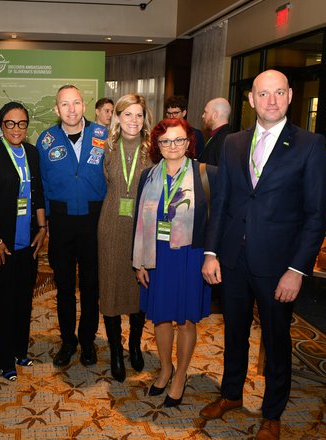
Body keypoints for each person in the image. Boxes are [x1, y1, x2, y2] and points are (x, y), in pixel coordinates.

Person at [199, 70, 326, 440]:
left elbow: (316, 215)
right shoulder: (233, 143)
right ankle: (231, 394)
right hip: (233, 259)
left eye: (278, 93)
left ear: (289, 96)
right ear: (252, 100)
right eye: (263, 94)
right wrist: (211, 253)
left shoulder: (309, 145)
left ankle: (272, 413)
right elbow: (222, 202)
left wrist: (297, 270)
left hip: (278, 265)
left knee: (275, 340)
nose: (270, 100)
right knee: (234, 332)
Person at [132, 118, 216, 408]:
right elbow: (139, 222)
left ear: (189, 142)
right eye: (165, 141)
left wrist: (211, 256)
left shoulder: (206, 174)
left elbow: (217, 221)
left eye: (178, 140)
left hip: (190, 255)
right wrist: (140, 262)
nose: (172, 146)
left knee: (186, 318)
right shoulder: (148, 176)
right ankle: (165, 368)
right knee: (161, 316)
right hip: (157, 256)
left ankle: (180, 375)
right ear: (157, 145)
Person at [0, 102, 47, 382]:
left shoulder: (32, 152)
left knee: (23, 297)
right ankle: (3, 359)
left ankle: (19, 349)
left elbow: (37, 191)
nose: (16, 129)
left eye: (22, 123)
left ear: (27, 126)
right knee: (2, 300)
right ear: (1, 125)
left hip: (27, 240)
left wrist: (42, 227)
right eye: (10, 123)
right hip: (0, 241)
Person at [36, 85, 107, 367]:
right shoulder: (46, 140)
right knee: (64, 286)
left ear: (84, 105)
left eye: (76, 103)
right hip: (62, 222)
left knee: (91, 285)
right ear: (56, 109)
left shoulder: (102, 135)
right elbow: (41, 184)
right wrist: (45, 223)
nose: (71, 109)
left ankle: (87, 340)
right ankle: (68, 341)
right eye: (64, 104)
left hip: (94, 219)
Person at [97, 94, 152, 382]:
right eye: (127, 114)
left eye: (139, 115)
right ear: (117, 117)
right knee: (111, 286)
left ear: (145, 119)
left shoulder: (152, 150)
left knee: (138, 288)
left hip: (142, 227)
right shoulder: (107, 147)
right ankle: (116, 350)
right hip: (110, 225)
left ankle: (134, 344)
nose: (133, 120)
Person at [199, 97, 231, 166]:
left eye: (205, 112)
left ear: (215, 115)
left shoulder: (224, 140)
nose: (203, 116)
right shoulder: (219, 135)